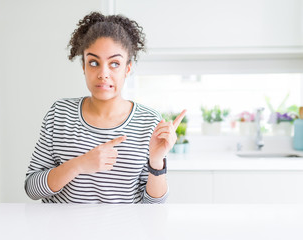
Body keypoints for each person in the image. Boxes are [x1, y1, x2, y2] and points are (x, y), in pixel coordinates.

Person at [24, 11, 186, 203]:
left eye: (114, 64)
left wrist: (157, 161)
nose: (103, 73)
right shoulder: (59, 114)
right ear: (83, 66)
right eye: (94, 62)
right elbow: (32, 189)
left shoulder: (149, 120)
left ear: (127, 68)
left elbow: (153, 205)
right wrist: (79, 164)